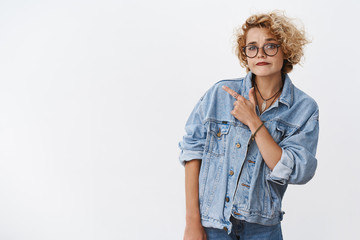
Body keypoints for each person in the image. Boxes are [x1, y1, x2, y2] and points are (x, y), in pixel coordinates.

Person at [178, 11, 319, 240]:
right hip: (213, 226)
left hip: (263, 229)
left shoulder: (304, 108)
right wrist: (192, 222)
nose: (260, 54)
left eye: (270, 46)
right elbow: (192, 152)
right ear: (245, 54)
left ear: (286, 50)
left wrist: (254, 121)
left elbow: (296, 171)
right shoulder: (220, 95)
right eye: (252, 47)